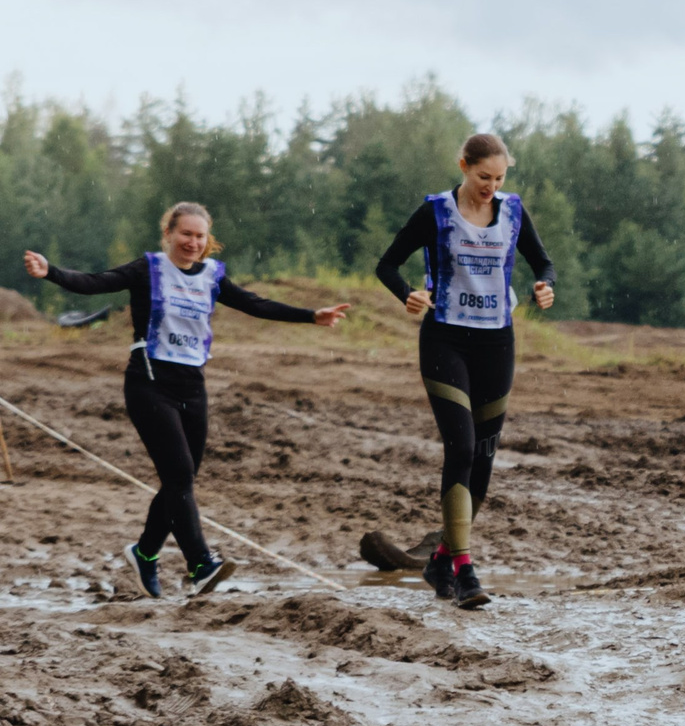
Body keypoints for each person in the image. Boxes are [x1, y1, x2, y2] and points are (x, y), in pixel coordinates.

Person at [22, 203, 351, 599]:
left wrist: (311, 316)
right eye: (185, 234)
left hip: (192, 386)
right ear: (169, 235)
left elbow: (255, 303)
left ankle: (145, 553)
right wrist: (51, 272)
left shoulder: (212, 275)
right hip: (149, 382)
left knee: (182, 478)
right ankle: (200, 564)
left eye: (199, 236)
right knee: (178, 474)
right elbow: (95, 282)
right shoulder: (148, 269)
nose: (193, 243)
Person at [373, 131, 557, 609]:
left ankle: (440, 558)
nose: (490, 187)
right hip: (445, 339)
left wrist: (544, 285)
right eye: (482, 177)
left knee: (485, 457)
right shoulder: (435, 211)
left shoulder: (513, 211)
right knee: (462, 446)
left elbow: (543, 262)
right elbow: (387, 265)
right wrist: (407, 293)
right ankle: (465, 568)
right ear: (463, 166)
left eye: (498, 179)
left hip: (497, 343)